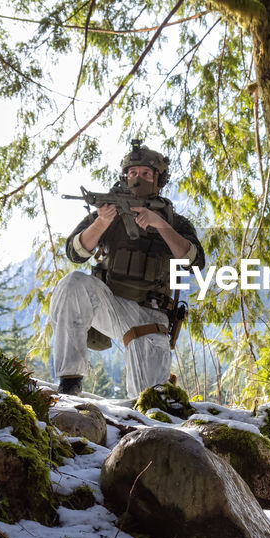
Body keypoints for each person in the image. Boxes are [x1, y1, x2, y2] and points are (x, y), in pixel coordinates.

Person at [49, 140, 204, 398]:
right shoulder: (108, 213)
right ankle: (69, 383)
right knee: (72, 284)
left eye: (146, 173)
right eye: (132, 173)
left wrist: (161, 226)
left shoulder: (175, 221)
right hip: (110, 306)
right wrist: (101, 222)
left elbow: (195, 263)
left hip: (150, 316)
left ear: (158, 179)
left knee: (150, 404)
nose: (138, 179)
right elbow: (74, 253)